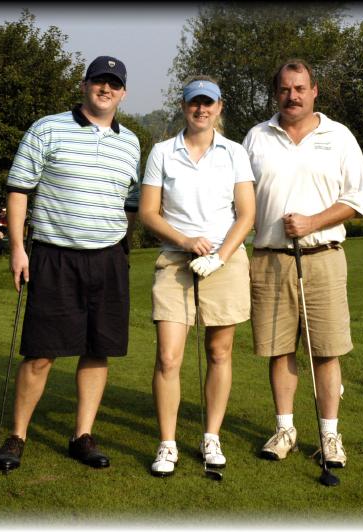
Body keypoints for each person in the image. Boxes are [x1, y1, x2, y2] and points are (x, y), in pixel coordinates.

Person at [0, 56, 140, 472]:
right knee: (41, 353)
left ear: (123, 93)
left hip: (108, 258)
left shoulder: (131, 143)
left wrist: (122, 245)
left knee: (97, 350)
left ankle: (82, 436)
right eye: (99, 81)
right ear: (84, 85)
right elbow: (19, 190)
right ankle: (17, 435)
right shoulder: (47, 128)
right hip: (55, 257)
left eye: (113, 84)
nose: (105, 89)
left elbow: (131, 203)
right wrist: (17, 248)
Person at [242, 59, 363, 473]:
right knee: (279, 350)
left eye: (299, 89)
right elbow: (240, 199)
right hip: (270, 259)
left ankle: (330, 435)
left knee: (326, 351)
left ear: (315, 91)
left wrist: (313, 222)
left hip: (322, 257)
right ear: (275, 93)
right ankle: (285, 430)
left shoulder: (339, 137)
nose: (292, 96)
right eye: (284, 89)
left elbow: (356, 200)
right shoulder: (257, 137)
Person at [139, 76, 256, 477]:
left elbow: (247, 214)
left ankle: (211, 436)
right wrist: (185, 240)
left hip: (225, 261)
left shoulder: (235, 152)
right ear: (184, 107)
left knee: (219, 352)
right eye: (194, 103)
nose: (201, 109)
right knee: (168, 356)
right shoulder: (162, 152)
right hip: (176, 259)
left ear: (219, 107)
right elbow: (148, 212)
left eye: (208, 103)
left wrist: (220, 257)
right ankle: (167, 443)